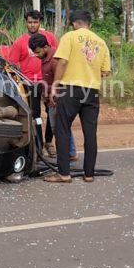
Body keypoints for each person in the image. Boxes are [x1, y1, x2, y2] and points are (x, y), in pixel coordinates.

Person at [45, 10, 111, 184]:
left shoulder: (70, 37)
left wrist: (55, 85)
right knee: (90, 133)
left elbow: (63, 62)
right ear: (89, 23)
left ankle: (64, 174)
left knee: (63, 128)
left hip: (71, 89)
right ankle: (89, 175)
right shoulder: (101, 42)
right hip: (91, 92)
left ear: (74, 23)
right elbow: (105, 71)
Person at [29, 33, 76, 162]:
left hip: (58, 98)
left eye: (38, 52)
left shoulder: (55, 59)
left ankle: (69, 153)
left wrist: (54, 97)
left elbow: (61, 80)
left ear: (45, 47)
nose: (36, 55)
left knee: (59, 127)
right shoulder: (45, 58)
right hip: (51, 98)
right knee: (60, 126)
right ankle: (70, 153)